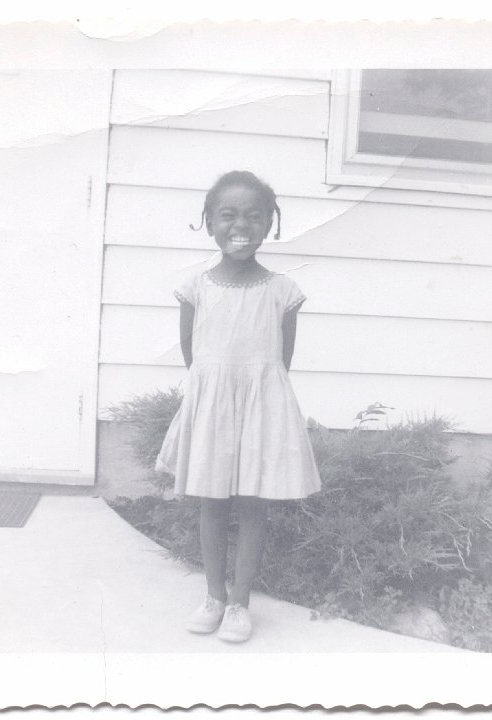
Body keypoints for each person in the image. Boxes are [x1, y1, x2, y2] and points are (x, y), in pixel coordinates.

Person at [155, 170, 321, 643]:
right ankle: (212, 595)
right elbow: (195, 359)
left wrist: (252, 394)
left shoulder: (283, 292)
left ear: (270, 224)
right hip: (211, 407)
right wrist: (215, 395)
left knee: (252, 504)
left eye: (253, 216)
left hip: (262, 408)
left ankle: (239, 603)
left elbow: (281, 361)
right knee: (212, 502)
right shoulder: (196, 289)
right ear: (209, 222)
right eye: (227, 215)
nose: (240, 226)